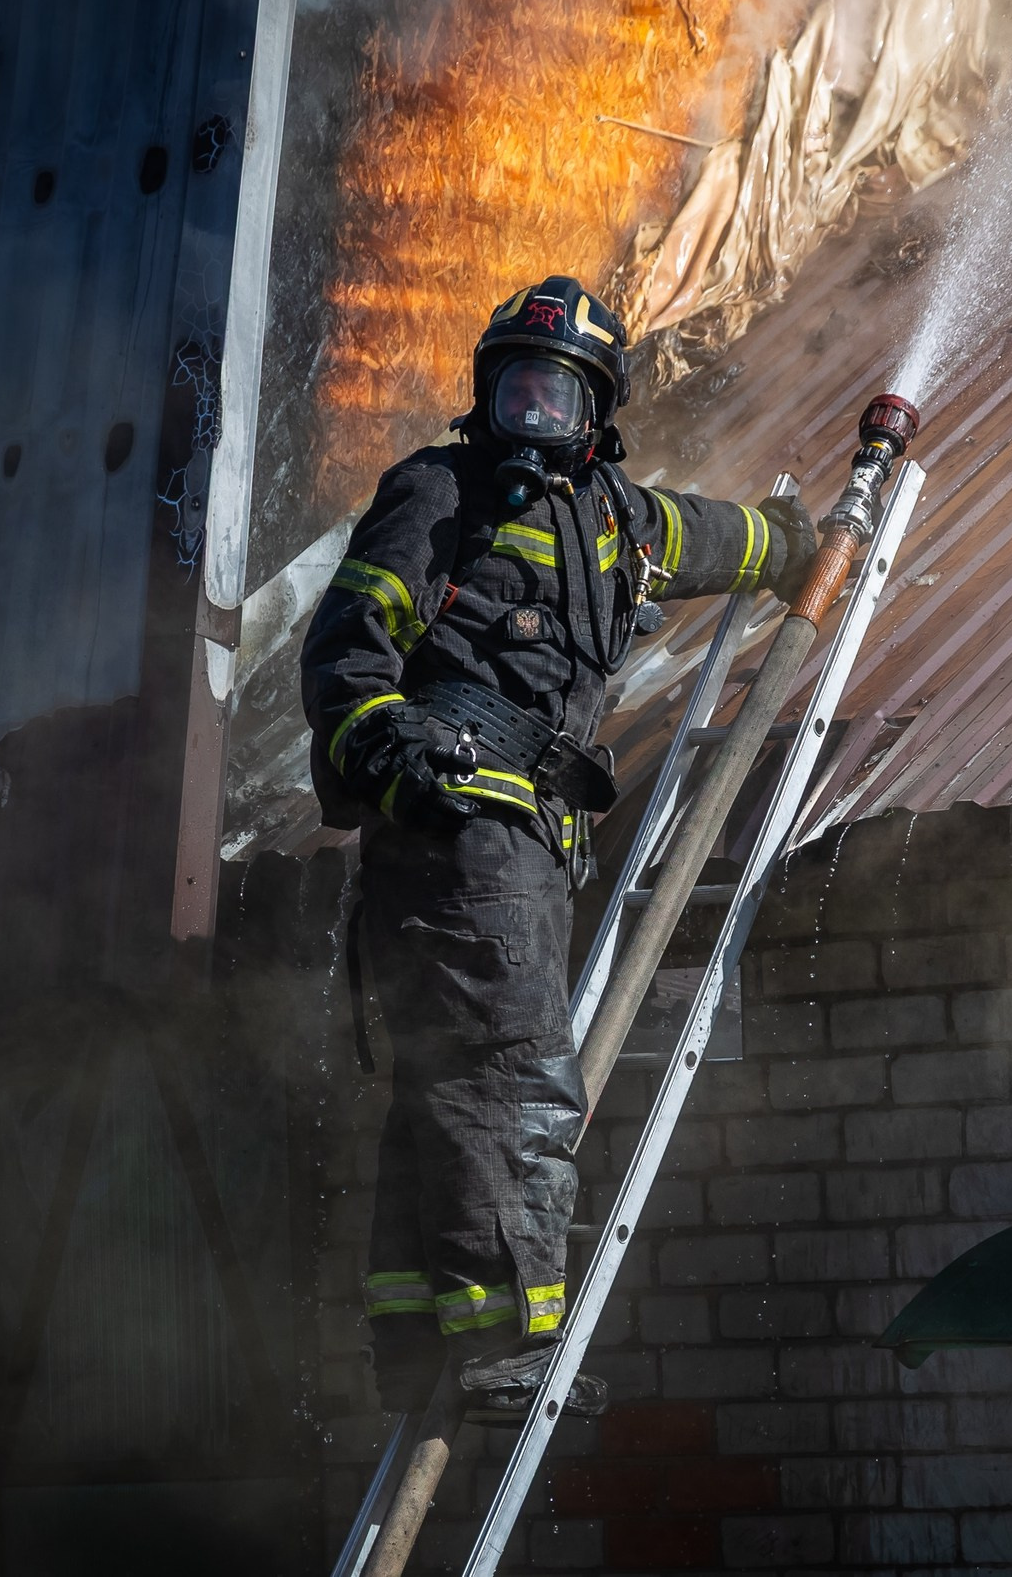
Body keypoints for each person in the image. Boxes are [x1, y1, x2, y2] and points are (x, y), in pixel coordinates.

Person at [300, 274, 817, 1412]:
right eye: (517, 389)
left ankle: (418, 1338)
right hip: (457, 839)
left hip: (523, 850)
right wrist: (382, 740)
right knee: (509, 1081)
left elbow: (707, 536)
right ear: (486, 394)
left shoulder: (617, 522)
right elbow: (347, 643)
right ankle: (507, 1349)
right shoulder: (437, 492)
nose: (534, 414)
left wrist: (788, 544)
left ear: (597, 416)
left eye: (558, 397)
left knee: (442, 1089)